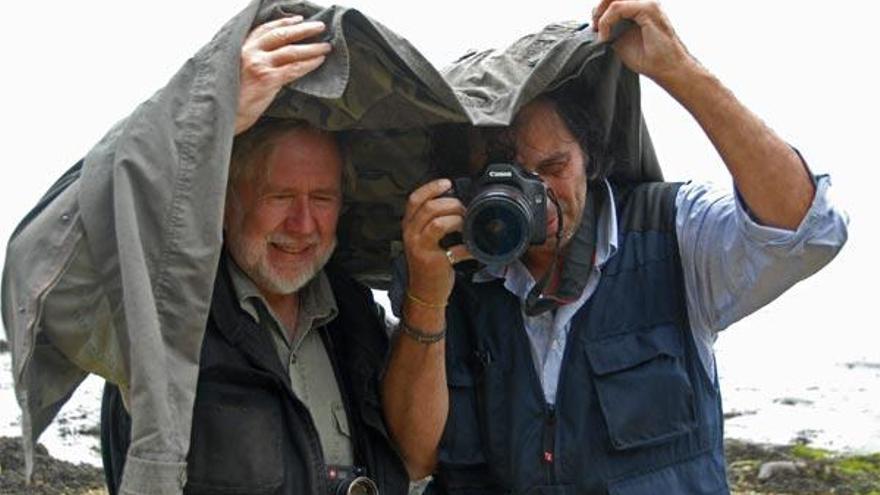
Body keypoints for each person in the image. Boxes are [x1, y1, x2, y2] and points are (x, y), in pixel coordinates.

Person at [382, 1, 849, 493]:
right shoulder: (451, 269)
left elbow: (809, 232)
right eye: (507, 182)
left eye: (552, 168)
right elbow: (415, 459)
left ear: (593, 157)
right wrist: (427, 299)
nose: (533, 197)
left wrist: (679, 70)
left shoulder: (670, 234)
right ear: (465, 183)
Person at [20, 15, 409, 495]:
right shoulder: (162, 318)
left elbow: (420, 449)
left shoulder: (355, 317)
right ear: (223, 201)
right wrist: (205, 115)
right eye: (280, 197)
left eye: (323, 199)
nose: (303, 224)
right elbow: (48, 278)